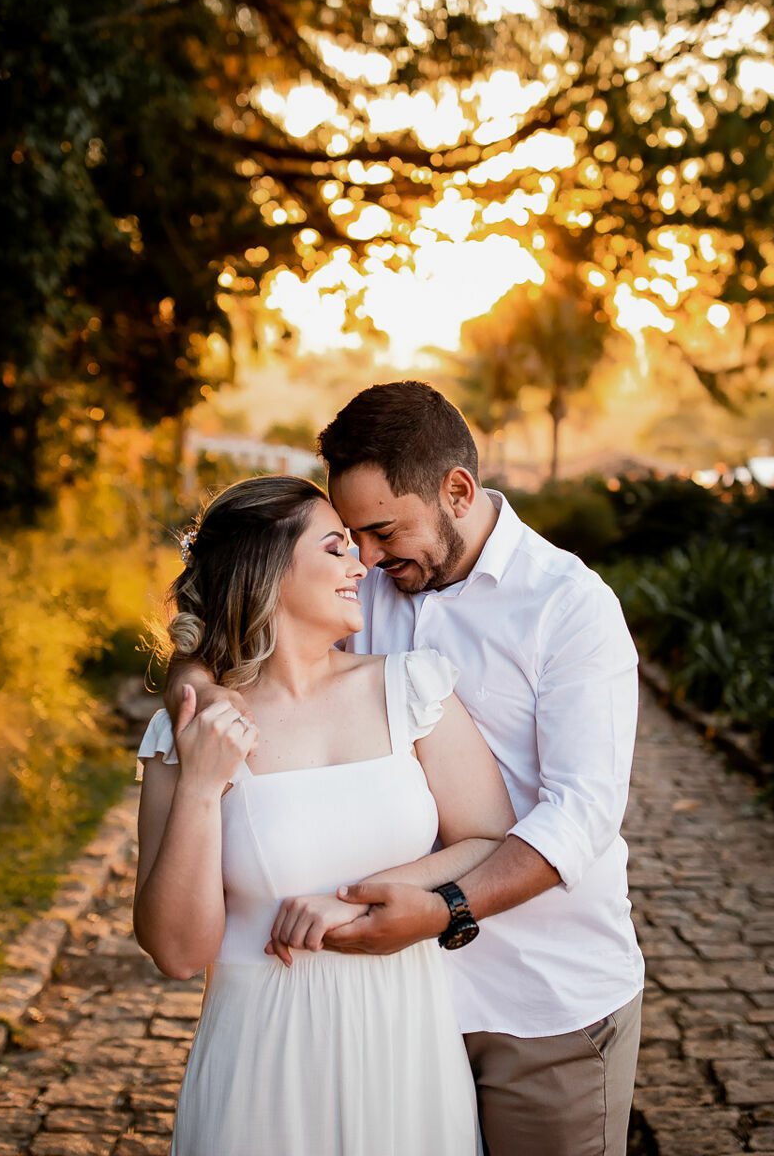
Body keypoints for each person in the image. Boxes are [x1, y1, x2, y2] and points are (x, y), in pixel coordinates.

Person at [167, 382, 645, 1156]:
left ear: (457, 491)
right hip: (395, 1007)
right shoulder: (374, 588)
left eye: (383, 530)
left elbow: (581, 818)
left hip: (540, 999)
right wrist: (193, 693)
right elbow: (242, 631)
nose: (366, 556)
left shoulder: (569, 607)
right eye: (350, 535)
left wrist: (445, 908)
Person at [133, 473, 517, 1156]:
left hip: (406, 1048)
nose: (361, 563)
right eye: (336, 547)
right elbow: (176, 952)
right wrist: (200, 787)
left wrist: (360, 902)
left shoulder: (412, 688)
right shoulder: (191, 730)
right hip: (261, 1061)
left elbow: (491, 842)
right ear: (269, 569)